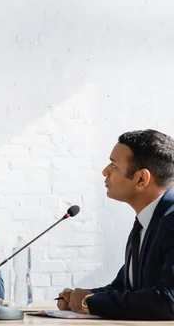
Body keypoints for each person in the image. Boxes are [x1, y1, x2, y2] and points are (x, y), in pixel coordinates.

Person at [57, 129, 174, 320]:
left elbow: (169, 301)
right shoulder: (146, 222)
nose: (105, 171)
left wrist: (89, 302)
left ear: (141, 179)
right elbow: (126, 288)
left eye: (113, 165)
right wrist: (81, 297)